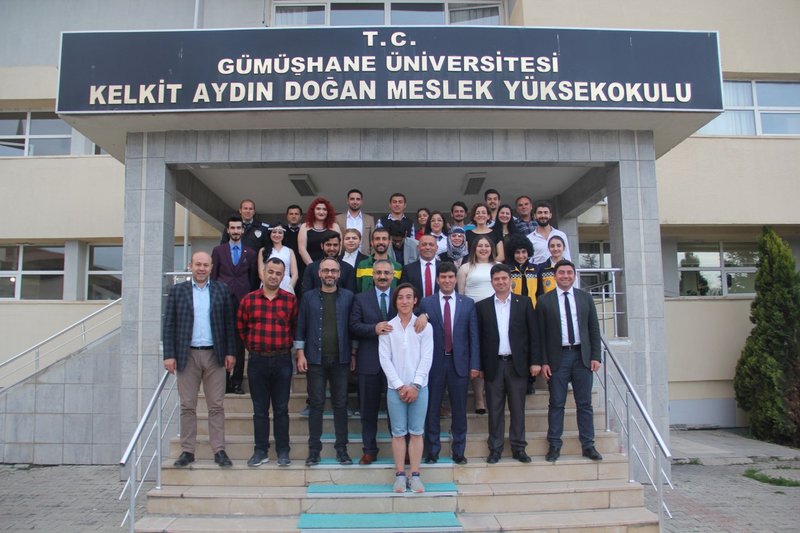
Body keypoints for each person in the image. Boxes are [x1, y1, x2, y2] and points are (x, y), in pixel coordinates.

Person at [163, 251, 237, 468]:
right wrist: (169, 355)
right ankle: (187, 451)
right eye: (198, 264)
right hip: (187, 355)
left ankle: (219, 450)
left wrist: (231, 352)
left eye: (205, 265)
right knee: (187, 406)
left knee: (216, 406)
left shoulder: (222, 290)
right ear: (191, 266)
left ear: (211, 267)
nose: (202, 268)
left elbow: (229, 324)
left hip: (215, 355)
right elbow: (169, 325)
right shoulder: (178, 291)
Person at [536, 260, 603, 463]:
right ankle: (554, 445)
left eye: (569, 273)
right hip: (558, 358)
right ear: (555, 276)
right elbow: (540, 335)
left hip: (582, 357)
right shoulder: (544, 301)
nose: (565, 276)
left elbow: (593, 328)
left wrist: (596, 356)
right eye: (561, 273)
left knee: (585, 404)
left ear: (574, 276)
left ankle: (588, 445)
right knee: (556, 403)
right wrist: (544, 361)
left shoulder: (585, 298)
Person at [237, 257, 298, 467]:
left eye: (278, 273)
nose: (274, 276)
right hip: (257, 361)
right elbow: (241, 328)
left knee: (281, 408)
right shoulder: (249, 300)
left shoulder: (290, 301)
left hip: (282, 361)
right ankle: (260, 451)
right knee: (260, 409)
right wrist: (254, 347)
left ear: (283, 277)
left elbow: (295, 327)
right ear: (263, 273)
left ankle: (283, 451)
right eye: (270, 272)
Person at [295, 257, 356, 466]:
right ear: (319, 273)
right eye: (326, 270)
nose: (330, 274)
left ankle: (342, 450)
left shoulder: (349, 297)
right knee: (316, 405)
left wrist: (353, 353)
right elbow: (301, 326)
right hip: (315, 359)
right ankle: (314, 451)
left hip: (341, 359)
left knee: (341, 404)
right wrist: (300, 353)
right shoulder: (308, 297)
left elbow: (353, 327)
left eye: (333, 271)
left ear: (339, 274)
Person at [475, 264, 538, 464]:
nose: (501, 282)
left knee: (518, 409)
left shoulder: (524, 303)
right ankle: (495, 449)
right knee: (494, 410)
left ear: (510, 280)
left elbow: (533, 334)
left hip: (517, 365)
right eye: (497, 279)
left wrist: (535, 362)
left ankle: (519, 448)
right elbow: (479, 339)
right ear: (492, 282)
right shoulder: (482, 306)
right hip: (493, 365)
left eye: (504, 278)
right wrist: (480, 366)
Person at [419, 262, 480, 465]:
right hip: (434, 364)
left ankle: (459, 451)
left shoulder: (467, 303)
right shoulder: (427, 303)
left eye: (450, 277)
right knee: (432, 409)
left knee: (459, 410)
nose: (447, 280)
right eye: (443, 277)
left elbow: (473, 336)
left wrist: (474, 364)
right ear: (437, 280)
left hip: (459, 363)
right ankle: (432, 451)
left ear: (455, 279)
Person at [379, 283, 433, 493]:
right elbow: (385, 359)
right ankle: (400, 475)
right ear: (395, 301)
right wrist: (400, 386)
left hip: (420, 388)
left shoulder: (424, 327)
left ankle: (415, 475)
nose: (405, 301)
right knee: (398, 433)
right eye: (400, 297)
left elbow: (427, 358)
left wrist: (415, 385)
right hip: (396, 390)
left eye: (409, 297)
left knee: (417, 432)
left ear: (415, 300)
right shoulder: (388, 328)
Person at [210, 216, 260, 394]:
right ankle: (224, 381)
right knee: (223, 341)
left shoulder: (250, 253)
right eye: (233, 228)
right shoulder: (218, 251)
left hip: (242, 301)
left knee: (239, 343)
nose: (236, 231)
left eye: (239, 228)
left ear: (242, 230)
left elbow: (253, 278)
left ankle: (237, 382)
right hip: (222, 301)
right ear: (228, 230)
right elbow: (213, 276)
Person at [457, 235, 497, 415]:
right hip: (473, 315)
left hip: (495, 315)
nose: (483, 249)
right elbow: (460, 294)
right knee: (477, 355)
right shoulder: (465, 268)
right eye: (480, 245)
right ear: (474, 248)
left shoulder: (498, 266)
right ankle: (479, 398)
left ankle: (493, 394)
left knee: (492, 354)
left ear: (491, 248)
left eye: (487, 245)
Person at [298, 197, 342, 266]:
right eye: (318, 209)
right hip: (309, 265)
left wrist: (330, 265)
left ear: (328, 212)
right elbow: (302, 249)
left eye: (324, 209)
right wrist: (313, 267)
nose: (321, 212)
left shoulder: (335, 226)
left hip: (331, 267)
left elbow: (339, 248)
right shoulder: (304, 226)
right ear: (313, 211)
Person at [355, 227, 402, 292]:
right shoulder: (362, 265)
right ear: (372, 242)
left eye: (384, 239)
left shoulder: (397, 267)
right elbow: (359, 290)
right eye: (377, 239)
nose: (381, 242)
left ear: (389, 242)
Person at [258, 224, 298, 295]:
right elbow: (261, 272)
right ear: (270, 234)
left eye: (280, 232)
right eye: (274, 232)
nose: (277, 235)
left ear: (284, 235)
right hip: (268, 284)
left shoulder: (289, 251)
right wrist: (269, 287)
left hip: (286, 285)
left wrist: (289, 287)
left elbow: (295, 274)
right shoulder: (263, 250)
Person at [527, 200, 571, 264]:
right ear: (534, 216)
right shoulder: (529, 238)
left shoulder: (561, 235)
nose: (543, 215)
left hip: (558, 270)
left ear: (550, 215)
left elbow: (567, 257)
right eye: (540, 213)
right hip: (538, 270)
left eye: (545, 212)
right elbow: (528, 261)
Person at [335, 188, 375, 255]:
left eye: (358, 199)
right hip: (343, 256)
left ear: (361, 201)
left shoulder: (369, 219)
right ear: (347, 201)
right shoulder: (338, 219)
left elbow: (373, 240)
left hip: (365, 256)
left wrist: (371, 256)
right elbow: (335, 240)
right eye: (352, 199)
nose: (355, 202)